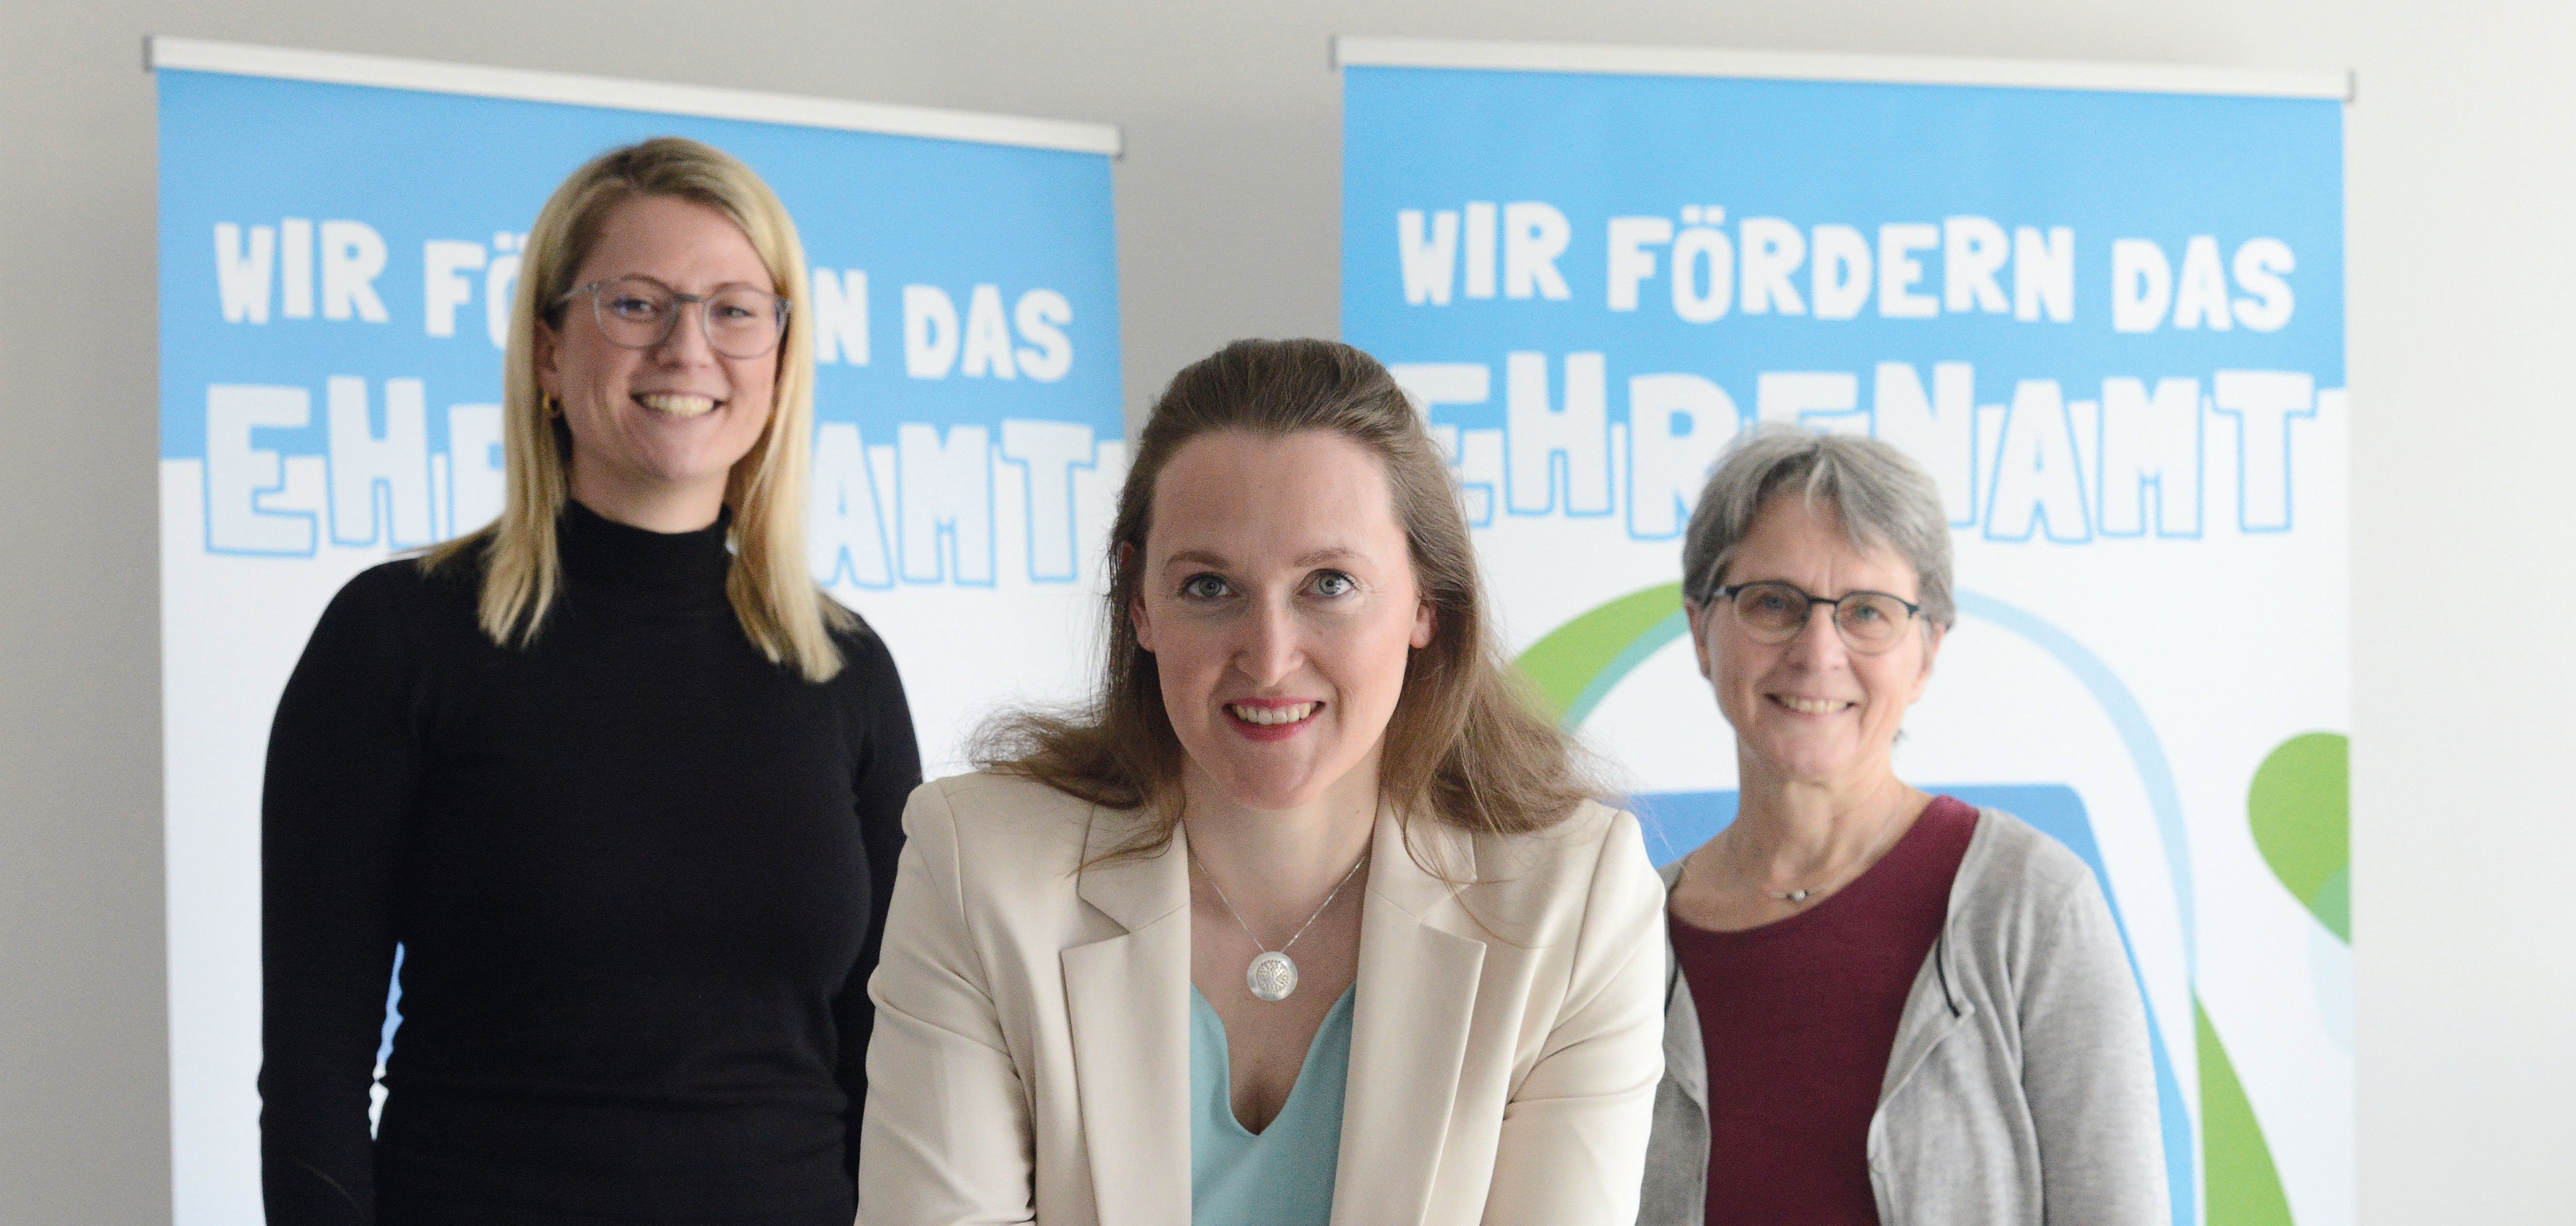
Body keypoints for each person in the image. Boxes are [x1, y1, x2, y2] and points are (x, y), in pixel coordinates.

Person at [260, 137, 920, 1226]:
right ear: (548, 352)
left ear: (782, 356)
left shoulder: (846, 671)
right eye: (636, 304)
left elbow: (888, 1070)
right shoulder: (398, 638)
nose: (687, 347)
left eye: (735, 310)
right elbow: (312, 1075)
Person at [859, 338, 1667, 1226]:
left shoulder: (1575, 900)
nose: (1271, 656)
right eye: (1210, 586)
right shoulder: (978, 866)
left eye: (1329, 582)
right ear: (1139, 609)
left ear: (1426, 603)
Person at [1635, 425, 2166, 1226]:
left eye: (1867, 612)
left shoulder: (2033, 907)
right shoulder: (1627, 938)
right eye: (1773, 602)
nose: (1819, 652)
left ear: (1926, 653)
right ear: (1703, 631)